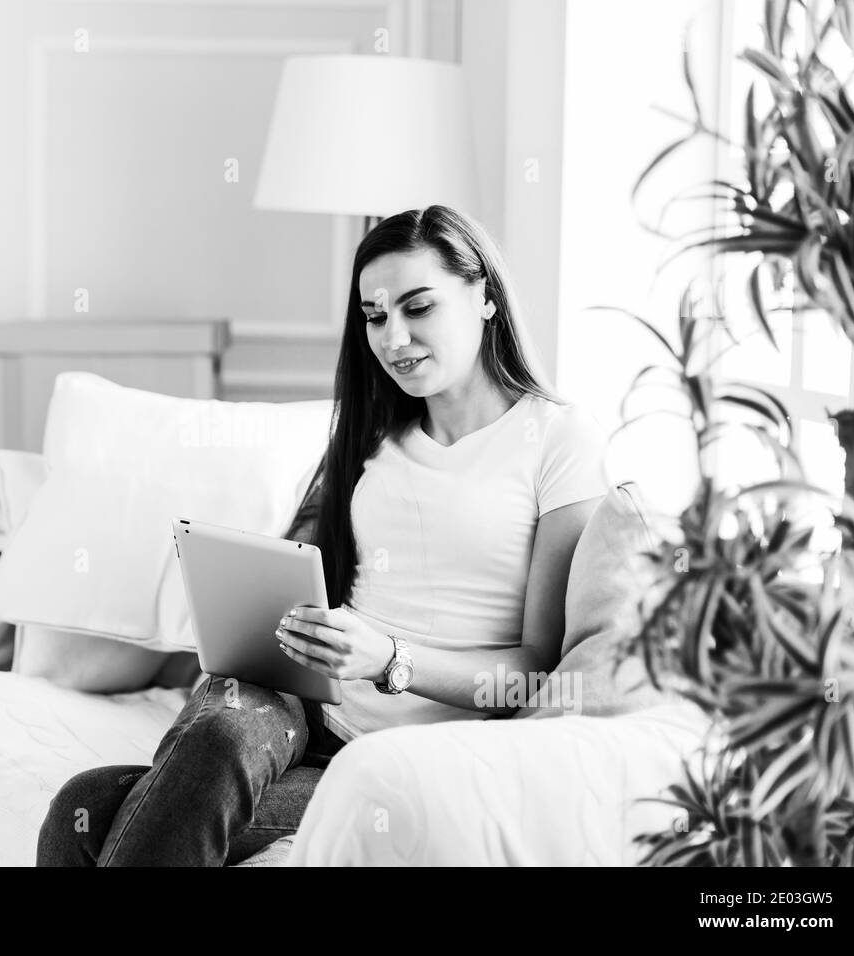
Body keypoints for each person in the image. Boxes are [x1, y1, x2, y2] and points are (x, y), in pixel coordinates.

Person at [37, 204, 609, 866]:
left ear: (482, 295)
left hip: (407, 761)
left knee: (88, 819)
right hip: (302, 704)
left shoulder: (558, 441)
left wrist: (391, 659)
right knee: (133, 775)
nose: (394, 338)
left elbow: (536, 669)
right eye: (375, 317)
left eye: (418, 307)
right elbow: (313, 571)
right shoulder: (371, 435)